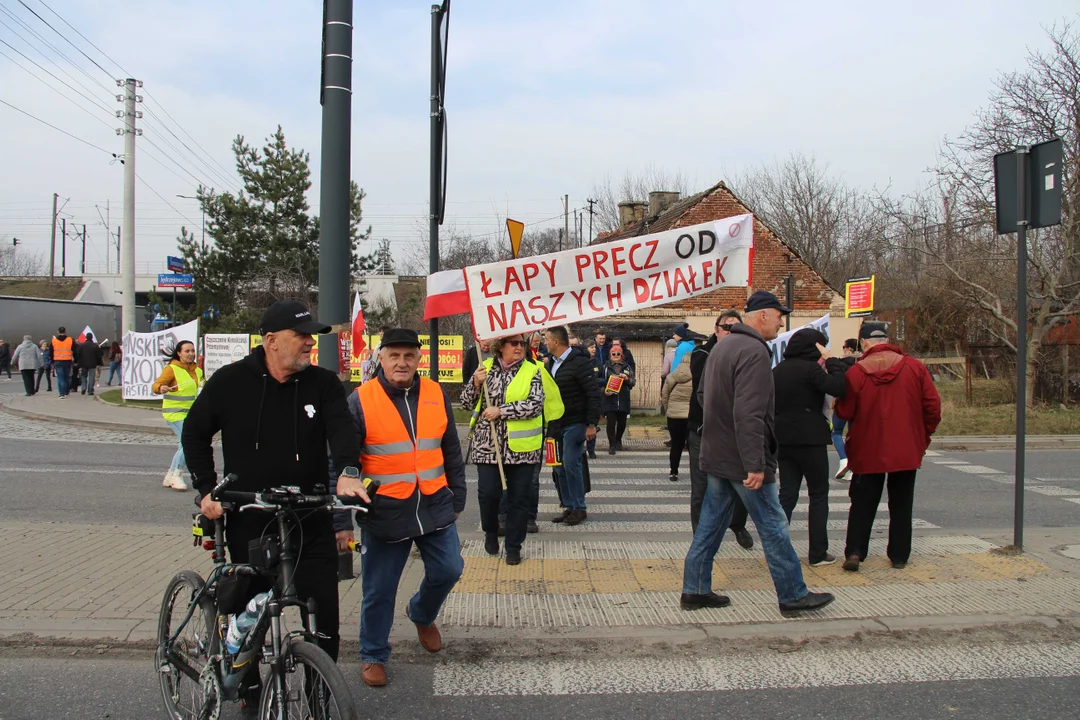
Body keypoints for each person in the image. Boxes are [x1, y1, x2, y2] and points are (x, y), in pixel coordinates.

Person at [184, 300, 361, 707]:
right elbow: (194, 434)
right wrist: (207, 490)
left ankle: (318, 697)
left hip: (310, 517)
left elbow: (340, 429)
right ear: (270, 341)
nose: (309, 344)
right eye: (301, 336)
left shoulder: (324, 383)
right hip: (251, 520)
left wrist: (349, 470)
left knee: (324, 619)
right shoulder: (231, 382)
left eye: (311, 337)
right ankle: (247, 691)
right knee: (251, 617)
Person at [681, 290, 835, 615]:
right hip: (742, 458)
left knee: (710, 525)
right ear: (762, 315)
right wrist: (755, 463)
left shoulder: (723, 347)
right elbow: (749, 412)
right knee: (774, 525)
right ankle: (793, 595)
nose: (782, 321)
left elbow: (706, 398)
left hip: (720, 454)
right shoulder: (753, 351)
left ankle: (695, 589)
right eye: (779, 315)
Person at [335, 328, 466, 688]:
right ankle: (373, 654)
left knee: (450, 569)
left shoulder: (436, 393)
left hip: (435, 502)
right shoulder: (362, 400)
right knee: (379, 590)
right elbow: (343, 465)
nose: (402, 362)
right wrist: (340, 519)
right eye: (394, 355)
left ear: (418, 359)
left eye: (409, 355)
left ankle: (421, 612)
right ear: (381, 358)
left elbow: (450, 448)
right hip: (385, 511)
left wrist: (458, 494)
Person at [837, 323, 942, 572]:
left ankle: (854, 552)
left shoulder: (856, 373)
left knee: (862, 503)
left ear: (863, 343)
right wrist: (922, 436)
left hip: (866, 447)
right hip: (905, 447)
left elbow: (845, 410)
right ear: (887, 339)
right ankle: (899, 555)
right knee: (902, 503)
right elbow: (932, 406)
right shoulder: (914, 367)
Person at [462, 333, 559, 564]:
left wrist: (502, 411)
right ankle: (491, 531)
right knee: (488, 494)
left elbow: (535, 405)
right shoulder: (485, 367)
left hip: (523, 448)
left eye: (522, 344)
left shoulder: (533, 369)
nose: (519, 347)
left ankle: (514, 546)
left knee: (519, 499)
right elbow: (466, 403)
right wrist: (475, 384)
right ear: (500, 346)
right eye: (514, 343)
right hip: (488, 444)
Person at [773, 328, 848, 567]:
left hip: (783, 439)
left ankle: (776, 548)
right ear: (815, 347)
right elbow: (838, 387)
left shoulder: (777, 371)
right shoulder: (811, 369)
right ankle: (817, 553)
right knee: (818, 495)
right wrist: (832, 360)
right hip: (811, 440)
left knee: (787, 494)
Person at [687, 310, 752, 548]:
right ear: (716, 329)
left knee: (741, 483)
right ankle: (700, 538)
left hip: (735, 431)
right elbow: (706, 384)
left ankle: (737, 523)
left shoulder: (746, 351)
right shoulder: (702, 352)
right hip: (703, 430)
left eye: (736, 328)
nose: (731, 332)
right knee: (701, 487)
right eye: (727, 328)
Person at [544, 326, 601, 525]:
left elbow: (592, 393)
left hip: (575, 421)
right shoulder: (550, 363)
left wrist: (592, 424)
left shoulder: (579, 363)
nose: (545, 342)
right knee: (559, 467)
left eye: (547, 339)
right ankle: (569, 505)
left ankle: (579, 507)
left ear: (556, 342)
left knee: (571, 463)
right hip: (556, 423)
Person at [153, 340, 204, 491]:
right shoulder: (172, 369)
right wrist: (161, 388)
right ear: (179, 353)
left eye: (192, 351)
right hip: (174, 413)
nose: (190, 354)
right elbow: (156, 385)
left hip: (190, 413)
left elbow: (202, 386)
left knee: (184, 443)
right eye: (187, 351)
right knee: (189, 442)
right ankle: (177, 475)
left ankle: (170, 475)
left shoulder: (198, 371)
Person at [661, 352, 693, 482]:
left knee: (676, 444)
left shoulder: (671, 376)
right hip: (690, 416)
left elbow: (665, 396)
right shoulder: (697, 377)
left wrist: (669, 409)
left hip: (673, 416)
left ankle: (673, 472)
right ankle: (695, 473)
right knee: (693, 446)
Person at [832, 338, 860, 479]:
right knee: (853, 434)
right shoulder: (862, 364)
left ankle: (844, 459)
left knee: (836, 432)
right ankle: (854, 467)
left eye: (844, 346)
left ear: (848, 349)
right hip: (858, 404)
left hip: (842, 402)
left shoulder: (840, 364)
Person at [602, 345, 635, 455]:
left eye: (618, 354)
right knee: (611, 423)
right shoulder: (605, 367)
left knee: (622, 423)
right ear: (610, 355)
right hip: (610, 399)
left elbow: (633, 382)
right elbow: (600, 382)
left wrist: (627, 379)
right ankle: (612, 445)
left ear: (622, 355)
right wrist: (604, 391)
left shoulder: (627, 367)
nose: (616, 356)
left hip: (623, 399)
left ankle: (618, 440)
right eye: (613, 354)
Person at [583, 339, 603, 459]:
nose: (594, 349)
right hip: (584, 398)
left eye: (594, 347)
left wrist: (592, 380)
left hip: (595, 397)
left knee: (593, 423)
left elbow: (602, 379)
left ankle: (591, 449)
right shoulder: (582, 362)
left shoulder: (597, 363)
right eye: (591, 347)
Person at [50, 327, 74, 399]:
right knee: (66, 377)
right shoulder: (70, 340)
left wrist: (52, 361)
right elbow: (75, 350)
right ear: (65, 331)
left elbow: (51, 352)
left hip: (58, 361)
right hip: (67, 361)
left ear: (58, 332)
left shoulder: (54, 341)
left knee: (60, 378)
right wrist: (75, 360)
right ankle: (66, 391)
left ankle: (61, 394)